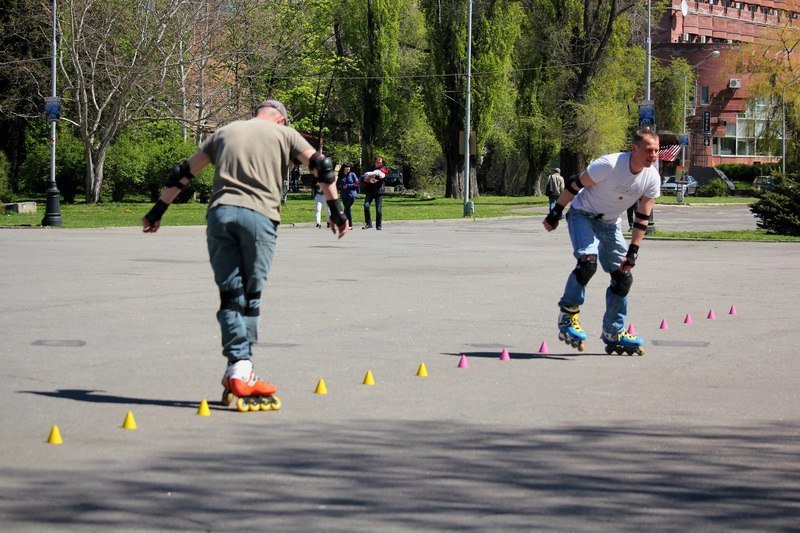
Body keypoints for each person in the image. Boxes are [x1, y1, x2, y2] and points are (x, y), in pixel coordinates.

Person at [141, 99, 349, 411]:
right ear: (281, 119)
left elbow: (181, 173)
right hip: (259, 216)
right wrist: (337, 211)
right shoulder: (286, 134)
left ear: (257, 114)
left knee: (230, 294)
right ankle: (242, 368)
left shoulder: (225, 132)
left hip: (220, 215)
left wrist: (157, 212)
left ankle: (237, 367)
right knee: (250, 296)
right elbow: (322, 166)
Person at [542, 128, 661, 356]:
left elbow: (642, 217)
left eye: (656, 151)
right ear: (634, 148)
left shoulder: (652, 177)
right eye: (649, 150)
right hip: (582, 214)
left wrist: (633, 251)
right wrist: (556, 212)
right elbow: (575, 185)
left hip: (610, 224)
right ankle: (568, 315)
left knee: (623, 276)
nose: (653, 155)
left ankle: (613, 332)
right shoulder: (609, 164)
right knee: (587, 262)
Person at [362, 156, 388, 230]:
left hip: (379, 191)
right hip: (370, 190)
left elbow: (386, 178)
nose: (379, 164)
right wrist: (366, 180)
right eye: (378, 162)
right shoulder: (370, 169)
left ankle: (378, 225)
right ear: (375, 162)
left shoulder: (384, 169)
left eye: (380, 162)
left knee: (378, 209)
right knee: (366, 205)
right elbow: (364, 177)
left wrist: (380, 177)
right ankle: (368, 223)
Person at [337, 164, 359, 230]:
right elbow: (337, 185)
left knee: (346, 209)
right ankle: (349, 225)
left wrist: (348, 186)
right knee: (348, 210)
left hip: (352, 195)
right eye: (347, 167)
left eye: (349, 167)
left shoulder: (352, 174)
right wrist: (341, 186)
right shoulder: (341, 176)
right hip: (344, 195)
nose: (348, 168)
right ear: (344, 168)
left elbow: (357, 183)